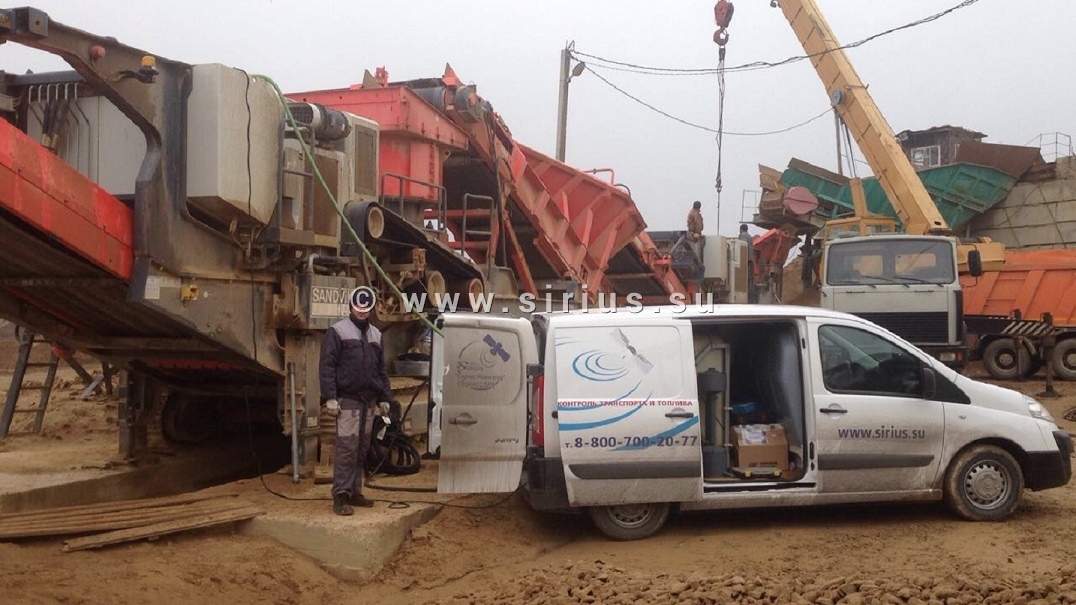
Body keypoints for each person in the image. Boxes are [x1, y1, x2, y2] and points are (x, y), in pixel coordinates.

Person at [319, 287, 395, 516]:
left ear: (370, 310)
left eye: (365, 309)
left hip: (368, 401)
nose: (361, 312)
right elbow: (327, 366)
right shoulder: (337, 332)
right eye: (358, 309)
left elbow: (381, 370)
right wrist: (330, 397)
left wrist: (385, 398)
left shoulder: (376, 335)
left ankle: (354, 492)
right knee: (346, 448)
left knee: (361, 448)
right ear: (351, 307)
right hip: (348, 400)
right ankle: (341, 495)